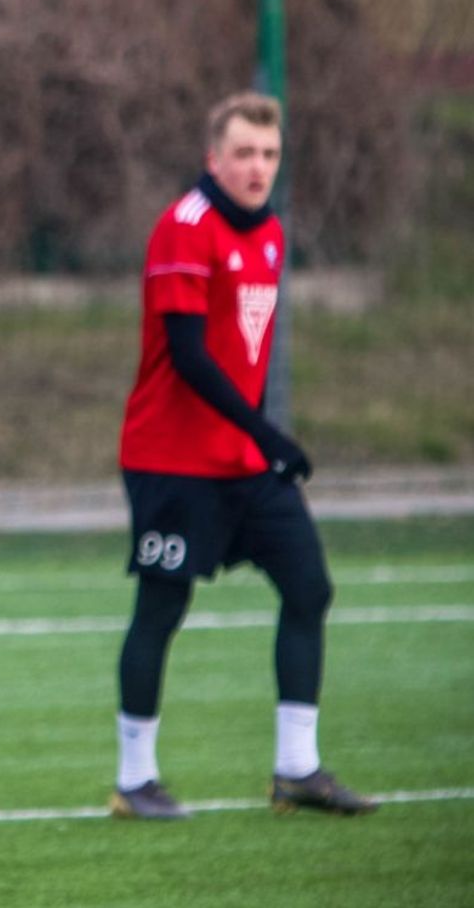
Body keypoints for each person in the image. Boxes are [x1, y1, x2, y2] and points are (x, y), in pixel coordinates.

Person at [110, 92, 376, 820]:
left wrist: (258, 442)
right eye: (244, 153)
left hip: (245, 462)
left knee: (309, 588)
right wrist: (270, 433)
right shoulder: (184, 227)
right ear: (214, 158)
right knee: (162, 606)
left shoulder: (272, 235)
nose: (258, 167)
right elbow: (190, 357)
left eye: (269, 154)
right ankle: (135, 779)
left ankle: (297, 769)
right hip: (171, 460)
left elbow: (245, 354)